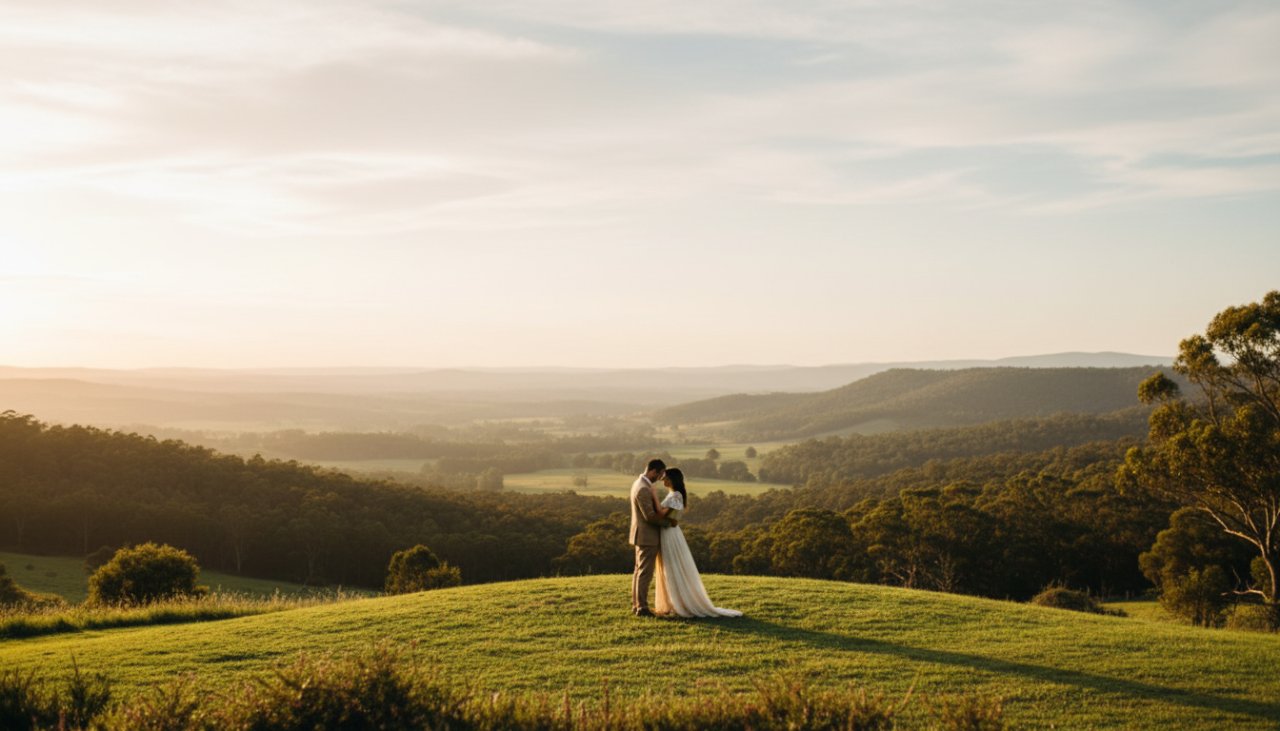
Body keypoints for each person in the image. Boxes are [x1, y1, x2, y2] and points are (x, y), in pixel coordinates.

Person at [652, 468, 742, 618]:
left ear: (673, 479)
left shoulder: (675, 495)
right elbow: (669, 517)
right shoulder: (674, 495)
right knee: (669, 566)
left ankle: (677, 603)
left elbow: (662, 514)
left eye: (666, 478)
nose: (663, 481)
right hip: (669, 531)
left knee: (672, 566)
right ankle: (670, 602)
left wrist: (653, 499)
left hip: (669, 534)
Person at [629, 459, 673, 617]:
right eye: (660, 474)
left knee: (639, 571)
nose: (660, 478)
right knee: (645, 573)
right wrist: (668, 523)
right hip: (647, 536)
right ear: (653, 471)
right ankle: (642, 608)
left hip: (641, 535)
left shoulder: (639, 484)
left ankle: (637, 605)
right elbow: (649, 516)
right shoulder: (643, 489)